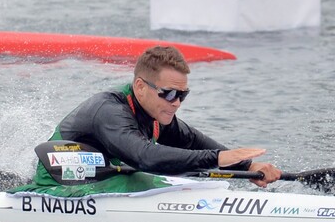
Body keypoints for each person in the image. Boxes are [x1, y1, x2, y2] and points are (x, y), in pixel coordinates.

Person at [25, 44, 282, 190]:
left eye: (183, 95)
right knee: (146, 180)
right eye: (169, 93)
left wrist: (247, 167)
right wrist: (215, 159)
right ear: (140, 86)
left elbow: (193, 142)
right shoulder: (109, 110)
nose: (176, 103)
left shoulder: (156, 112)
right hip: (55, 185)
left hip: (100, 180)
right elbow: (145, 157)